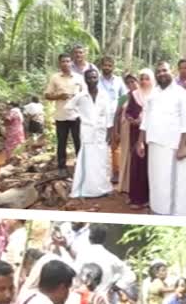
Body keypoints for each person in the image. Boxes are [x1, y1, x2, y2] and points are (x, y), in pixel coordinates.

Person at [137, 61, 186, 216]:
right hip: (154, 143)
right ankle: (158, 209)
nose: (161, 73)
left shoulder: (182, 94)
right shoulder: (153, 94)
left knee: (174, 181)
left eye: (164, 70)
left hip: (173, 146)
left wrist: (182, 146)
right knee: (156, 180)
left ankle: (175, 212)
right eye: (158, 71)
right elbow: (146, 119)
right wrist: (141, 141)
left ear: (172, 71)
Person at [67, 69, 114, 199]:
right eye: (89, 78)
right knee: (88, 160)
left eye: (94, 77)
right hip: (87, 132)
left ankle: (102, 188)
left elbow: (109, 114)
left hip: (101, 132)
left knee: (102, 161)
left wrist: (110, 131)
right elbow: (69, 108)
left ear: (98, 78)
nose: (92, 80)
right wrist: (78, 118)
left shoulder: (104, 95)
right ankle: (87, 189)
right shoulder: (81, 96)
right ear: (85, 80)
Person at [44, 53, 85, 174]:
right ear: (59, 63)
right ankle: (61, 167)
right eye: (63, 61)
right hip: (61, 116)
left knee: (79, 141)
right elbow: (47, 95)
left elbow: (85, 95)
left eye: (68, 61)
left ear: (71, 62)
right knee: (62, 142)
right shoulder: (55, 78)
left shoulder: (79, 78)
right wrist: (59, 96)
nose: (66, 63)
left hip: (76, 115)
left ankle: (81, 165)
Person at [126, 69, 155, 210]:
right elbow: (128, 112)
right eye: (142, 78)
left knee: (151, 165)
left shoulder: (156, 95)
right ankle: (137, 198)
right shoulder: (134, 95)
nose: (144, 81)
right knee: (138, 164)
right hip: (136, 133)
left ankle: (150, 198)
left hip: (153, 134)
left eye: (147, 78)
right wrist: (133, 120)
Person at [97, 56, 128, 184]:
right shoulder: (96, 80)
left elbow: (124, 96)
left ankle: (116, 172)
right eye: (105, 65)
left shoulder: (119, 81)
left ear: (113, 67)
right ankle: (101, 171)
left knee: (115, 144)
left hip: (115, 116)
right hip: (100, 116)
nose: (107, 68)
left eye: (110, 65)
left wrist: (120, 110)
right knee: (101, 143)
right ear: (101, 66)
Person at [114, 73, 139, 193]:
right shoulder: (124, 97)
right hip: (125, 129)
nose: (131, 84)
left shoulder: (143, 96)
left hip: (139, 129)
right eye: (128, 83)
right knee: (125, 154)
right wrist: (116, 131)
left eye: (133, 81)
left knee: (136, 156)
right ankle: (125, 185)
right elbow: (117, 114)